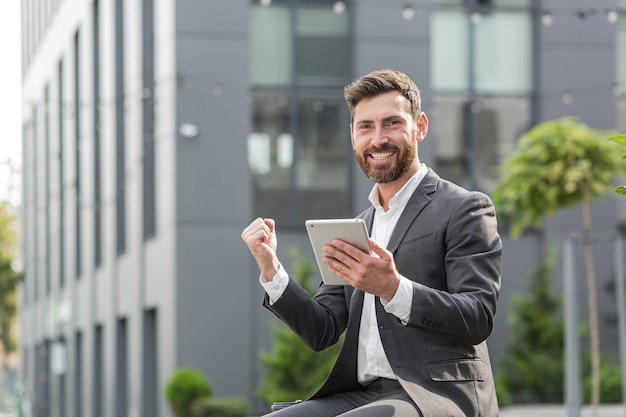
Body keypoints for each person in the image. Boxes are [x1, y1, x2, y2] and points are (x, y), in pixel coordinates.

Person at [241, 69, 502, 417]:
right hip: (361, 393)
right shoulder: (358, 228)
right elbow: (322, 330)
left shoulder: (465, 208)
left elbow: (477, 317)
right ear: (352, 135)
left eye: (392, 123)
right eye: (366, 127)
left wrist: (393, 288)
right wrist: (272, 271)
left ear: (420, 126)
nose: (378, 139)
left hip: (434, 394)